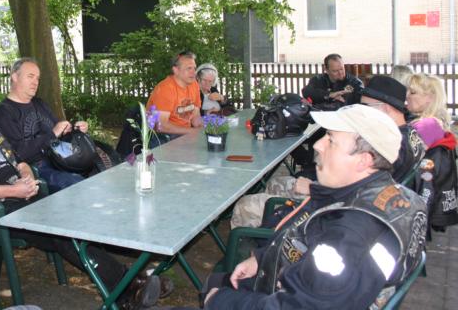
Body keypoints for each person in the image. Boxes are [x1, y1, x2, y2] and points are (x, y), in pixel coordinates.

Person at [0, 72, 170, 310]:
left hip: (22, 198)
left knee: (75, 214)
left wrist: (26, 175)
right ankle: (127, 289)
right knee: (62, 230)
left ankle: (130, 279)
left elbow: (19, 160)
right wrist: (14, 190)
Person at [181, 105, 428, 310]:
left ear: (364, 160)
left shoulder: (351, 236)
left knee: (215, 290)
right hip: (301, 282)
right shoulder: (391, 197)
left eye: (331, 140)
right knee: (216, 281)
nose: (318, 145)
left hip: (288, 296)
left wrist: (221, 301)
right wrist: (262, 258)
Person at [231, 75, 426, 228]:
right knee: (275, 183)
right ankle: (264, 235)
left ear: (386, 108)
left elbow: (358, 193)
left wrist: (313, 189)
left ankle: (252, 249)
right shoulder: (407, 135)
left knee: (245, 205)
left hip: (332, 208)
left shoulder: (391, 147)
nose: (361, 109)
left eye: (365, 106)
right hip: (344, 197)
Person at [0, 59, 89, 192]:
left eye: (37, 78)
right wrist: (52, 134)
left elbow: (58, 134)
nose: (35, 82)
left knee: (99, 167)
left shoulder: (39, 104)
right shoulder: (4, 113)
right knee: (78, 184)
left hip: (59, 157)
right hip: (35, 168)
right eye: (30, 76)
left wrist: (74, 130)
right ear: (15, 77)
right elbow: (17, 153)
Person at [405, 73, 458, 231]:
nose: (407, 96)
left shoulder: (427, 125)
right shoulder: (434, 122)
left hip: (417, 196)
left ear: (430, 98)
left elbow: (405, 158)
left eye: (413, 92)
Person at [146, 51, 203, 144]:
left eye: (194, 68)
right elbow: (160, 126)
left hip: (184, 134)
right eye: (189, 68)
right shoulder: (165, 89)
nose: (194, 72)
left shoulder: (194, 84)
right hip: (161, 137)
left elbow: (196, 116)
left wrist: (204, 127)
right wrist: (192, 131)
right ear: (176, 70)